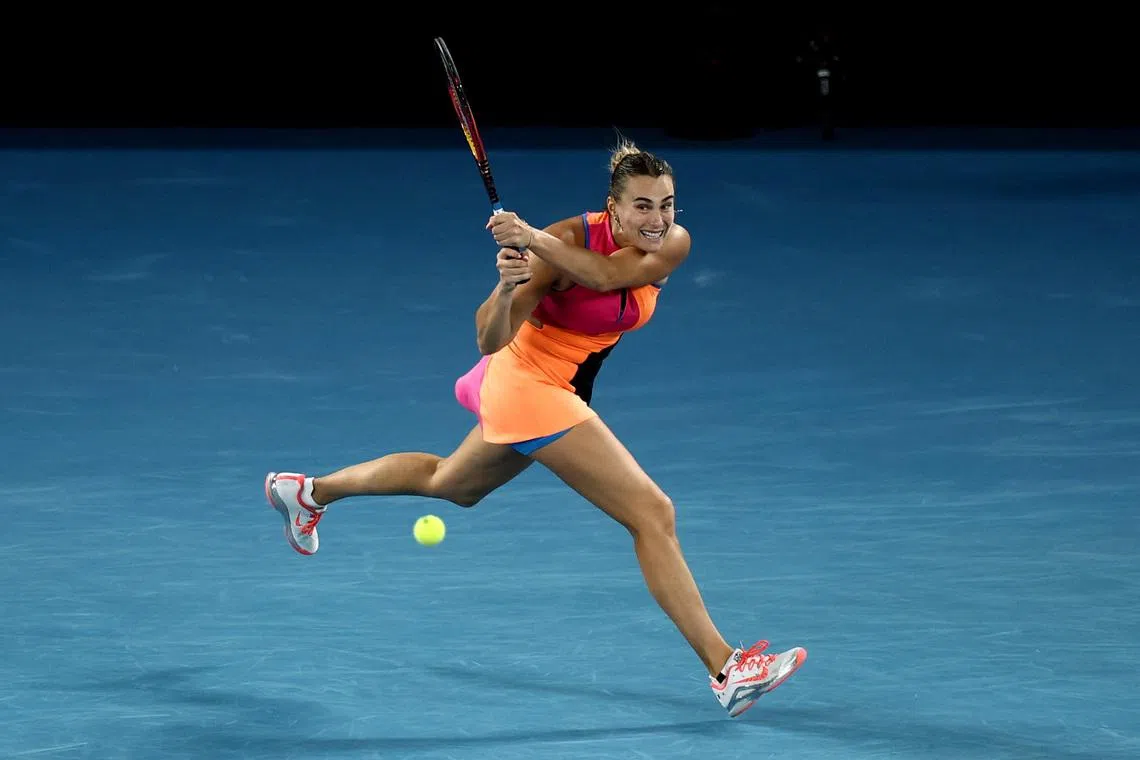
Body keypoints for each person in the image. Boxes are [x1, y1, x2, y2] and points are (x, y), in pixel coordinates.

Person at [263, 137, 806, 717]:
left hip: (562, 385)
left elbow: (602, 277)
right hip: (526, 383)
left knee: (452, 484)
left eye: (666, 204)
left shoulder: (670, 244)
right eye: (642, 206)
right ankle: (727, 668)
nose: (657, 219)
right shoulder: (561, 244)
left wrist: (531, 238)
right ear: (612, 207)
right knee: (652, 513)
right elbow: (489, 339)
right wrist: (507, 285)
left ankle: (307, 492)